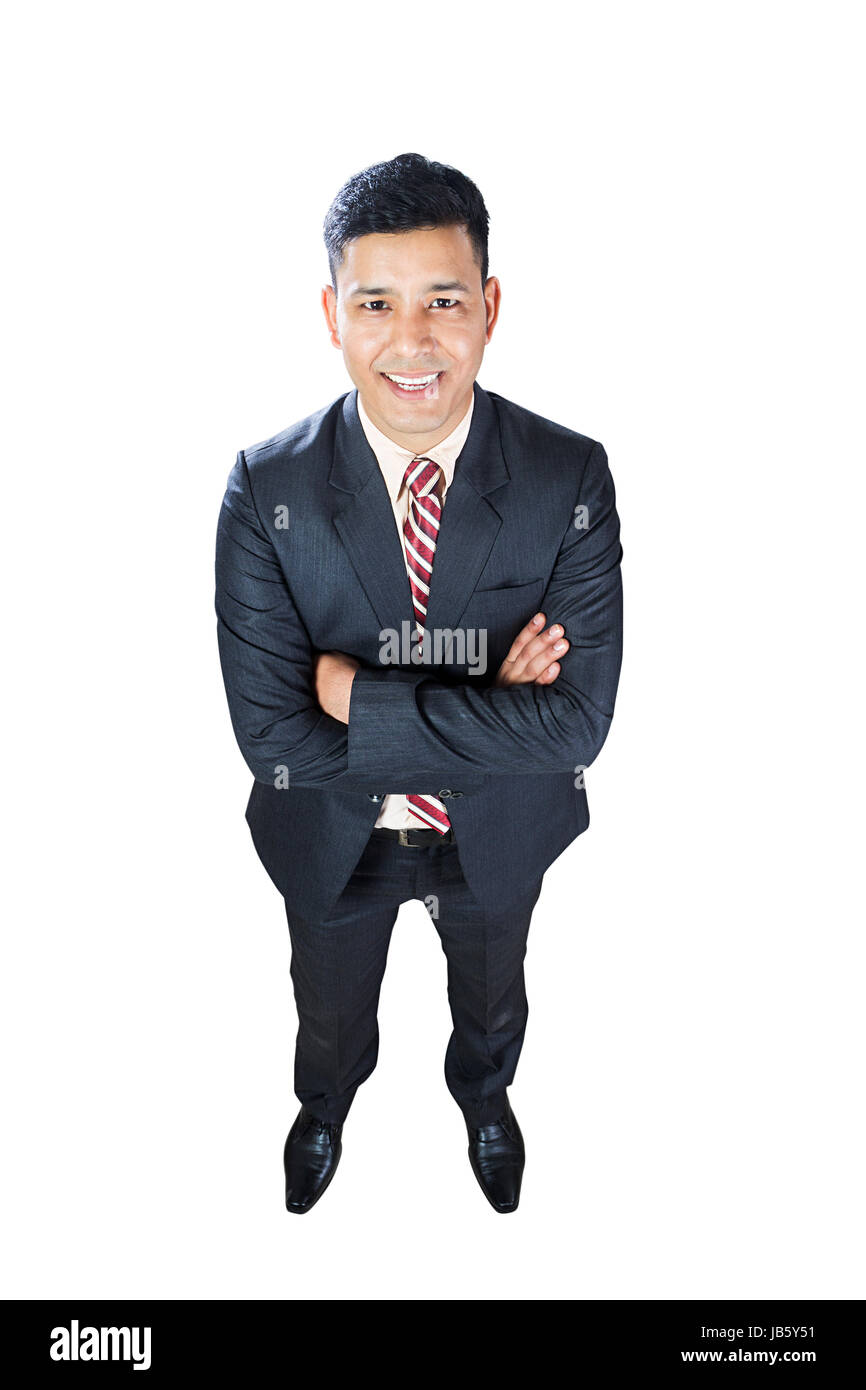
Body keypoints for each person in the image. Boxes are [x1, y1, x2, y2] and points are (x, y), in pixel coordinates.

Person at [215, 152, 623, 1214]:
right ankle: (324, 1107)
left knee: (492, 1000)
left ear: (487, 307)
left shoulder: (565, 476)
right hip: (331, 831)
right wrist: (494, 690)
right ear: (330, 314)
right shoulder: (268, 487)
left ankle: (483, 1100)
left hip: (496, 828)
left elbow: (574, 725)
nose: (411, 341)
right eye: (375, 303)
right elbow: (273, 738)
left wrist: (360, 696)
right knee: (328, 1008)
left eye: (443, 301)